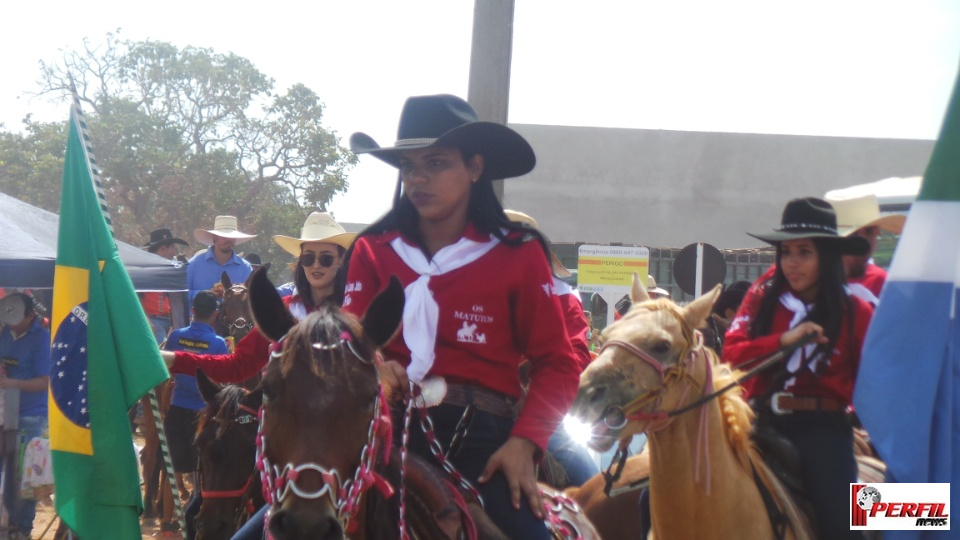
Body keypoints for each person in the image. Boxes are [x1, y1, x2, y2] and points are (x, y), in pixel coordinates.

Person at [344, 94, 580, 538]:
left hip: (485, 446)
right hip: (379, 436)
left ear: (475, 168)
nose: (418, 179)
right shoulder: (371, 250)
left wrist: (525, 443)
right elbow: (346, 348)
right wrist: (375, 366)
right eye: (409, 167)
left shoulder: (518, 252)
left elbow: (558, 363)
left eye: (436, 164)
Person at [162, 212, 354, 540]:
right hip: (281, 448)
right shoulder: (279, 312)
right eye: (308, 257)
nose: (315, 264)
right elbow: (235, 367)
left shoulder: (354, 314)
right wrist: (169, 358)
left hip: (338, 451)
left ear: (340, 263)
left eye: (325, 257)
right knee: (204, 507)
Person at [723, 197, 873, 540]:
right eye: (786, 252)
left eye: (804, 252)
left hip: (822, 432)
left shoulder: (857, 313)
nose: (792, 263)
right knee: (653, 496)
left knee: (841, 527)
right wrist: (783, 340)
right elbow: (730, 356)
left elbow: (877, 385)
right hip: (755, 422)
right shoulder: (762, 299)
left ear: (827, 255)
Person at [503, 209, 599, 487]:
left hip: (536, 404)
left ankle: (599, 507)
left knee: (577, 465)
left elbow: (577, 357)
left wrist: (526, 373)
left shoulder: (563, 298)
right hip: (475, 400)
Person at [161, 291, 228, 530]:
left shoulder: (176, 336)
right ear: (215, 315)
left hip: (178, 408)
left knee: (172, 468)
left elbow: (165, 369)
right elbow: (224, 379)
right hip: (204, 414)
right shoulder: (219, 343)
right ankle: (197, 520)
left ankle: (166, 522)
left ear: (192, 311)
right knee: (203, 471)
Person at [0, 293, 51, 540]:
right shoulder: (4, 335)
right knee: (5, 475)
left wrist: (12, 382)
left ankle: (22, 529)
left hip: (31, 418)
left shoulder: (41, 340)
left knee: (23, 479)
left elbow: (45, 382)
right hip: (4, 415)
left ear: (30, 315)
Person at [825, 193, 906, 304]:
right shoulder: (881, 281)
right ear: (862, 236)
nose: (875, 245)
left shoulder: (808, 282)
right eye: (876, 235)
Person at [187, 215, 256, 302]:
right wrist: (204, 295)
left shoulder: (245, 268)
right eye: (225, 236)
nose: (229, 240)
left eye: (232, 237)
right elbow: (181, 296)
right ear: (214, 238)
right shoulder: (194, 264)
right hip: (199, 315)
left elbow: (254, 297)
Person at [142, 228, 189, 343]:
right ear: (163, 248)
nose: (174, 251)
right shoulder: (144, 270)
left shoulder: (173, 268)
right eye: (172, 247)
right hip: (153, 320)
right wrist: (146, 320)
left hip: (171, 321)